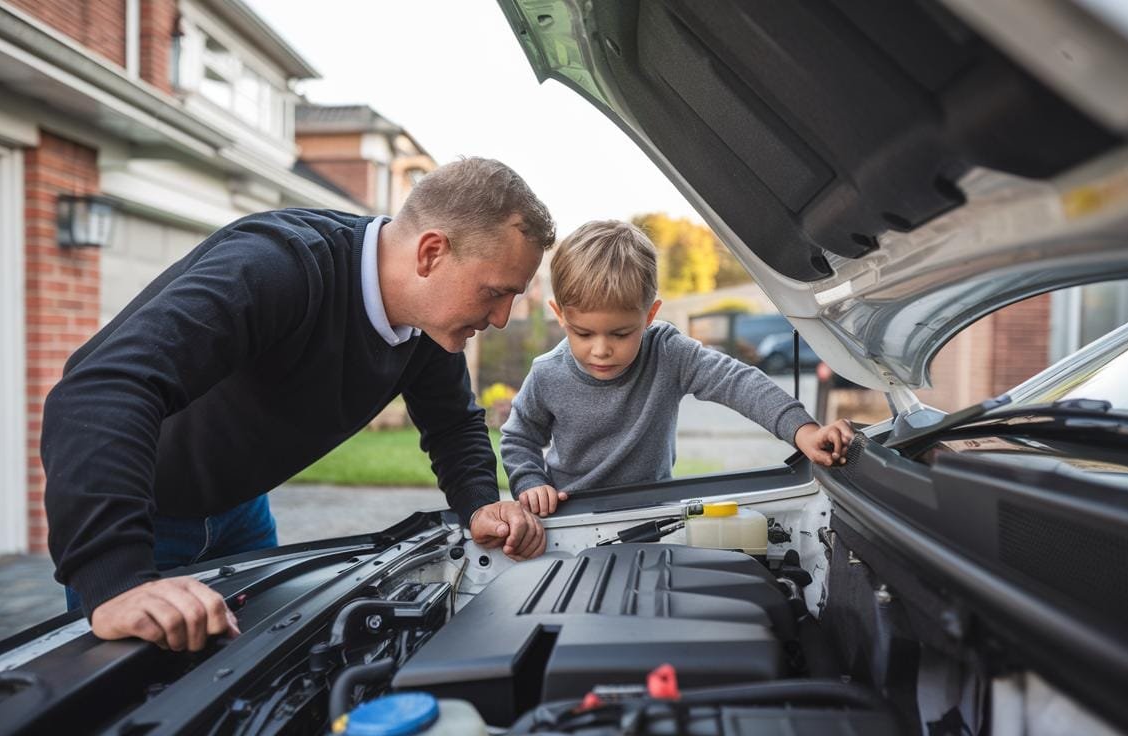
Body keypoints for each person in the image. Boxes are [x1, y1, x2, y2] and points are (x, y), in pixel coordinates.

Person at [43, 157, 555, 652]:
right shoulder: (277, 266)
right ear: (430, 253)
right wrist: (115, 578)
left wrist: (480, 503)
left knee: (249, 673)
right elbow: (100, 389)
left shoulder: (426, 327)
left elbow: (453, 423)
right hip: (141, 515)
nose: (503, 317)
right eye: (495, 293)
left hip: (240, 511)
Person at [500, 220, 855, 517]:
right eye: (583, 332)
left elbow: (737, 382)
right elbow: (519, 436)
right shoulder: (547, 373)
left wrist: (802, 430)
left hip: (656, 514)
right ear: (560, 315)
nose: (602, 349)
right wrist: (530, 481)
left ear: (650, 316)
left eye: (621, 333)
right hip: (570, 517)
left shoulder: (667, 353)